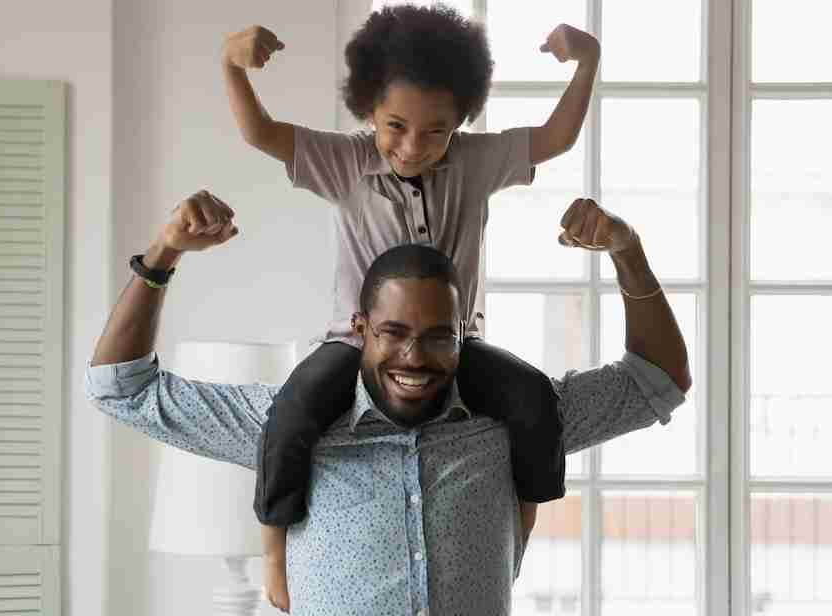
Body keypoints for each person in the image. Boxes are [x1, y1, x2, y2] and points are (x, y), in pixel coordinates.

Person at [87, 190, 691, 615]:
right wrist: (163, 256)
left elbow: (659, 379)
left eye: (436, 337)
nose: (413, 357)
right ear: (360, 329)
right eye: (393, 333)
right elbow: (122, 387)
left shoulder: (514, 420)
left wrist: (627, 248)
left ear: (463, 336)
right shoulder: (288, 423)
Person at [219, 5, 602, 607]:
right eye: (395, 125)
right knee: (291, 414)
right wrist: (232, 67)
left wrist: (587, 64)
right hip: (357, 347)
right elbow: (259, 132)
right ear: (368, 108)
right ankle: (272, 549)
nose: (413, 145)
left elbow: (555, 138)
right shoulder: (343, 162)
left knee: (532, 399)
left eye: (435, 130)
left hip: (456, 347)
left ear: (461, 122)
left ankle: (519, 531)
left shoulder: (476, 163)